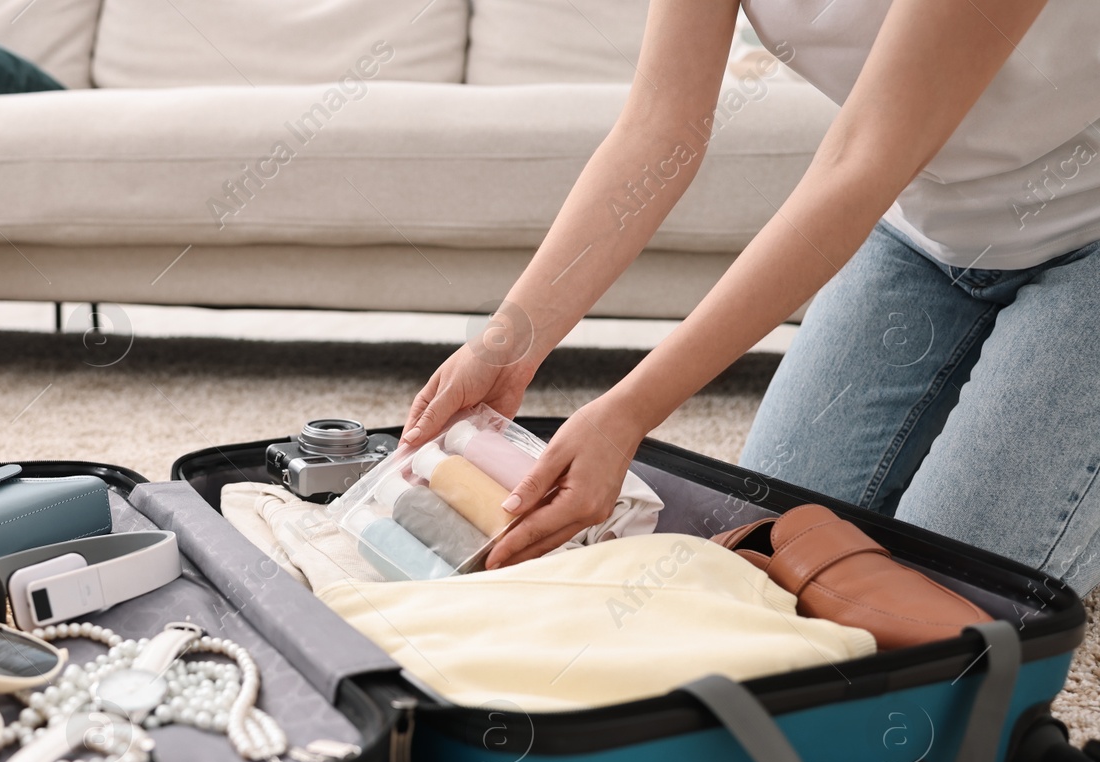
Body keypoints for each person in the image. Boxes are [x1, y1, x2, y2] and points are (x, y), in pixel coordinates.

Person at [402, 0, 1100, 596]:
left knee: (948, 609)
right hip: (922, 227)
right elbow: (659, 126)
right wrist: (508, 341)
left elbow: (863, 157)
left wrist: (628, 412)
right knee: (755, 557)